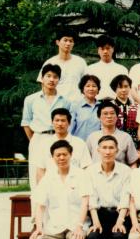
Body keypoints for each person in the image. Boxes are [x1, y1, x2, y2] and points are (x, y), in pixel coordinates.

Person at [29, 140, 90, 239]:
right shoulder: (48, 177)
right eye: (58, 155)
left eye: (64, 154)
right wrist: (39, 228)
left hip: (76, 224)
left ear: (71, 155)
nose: (61, 158)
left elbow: (85, 202)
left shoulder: (80, 175)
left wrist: (80, 226)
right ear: (53, 158)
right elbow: (40, 205)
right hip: (55, 225)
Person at [85, 135, 131, 239]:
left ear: (117, 150)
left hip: (120, 215)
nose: (107, 151)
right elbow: (91, 198)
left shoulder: (125, 171)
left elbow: (126, 197)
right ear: (98, 150)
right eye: (104, 148)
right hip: (98, 214)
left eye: (111, 148)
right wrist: (96, 222)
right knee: (93, 237)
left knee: (118, 236)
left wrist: (120, 221)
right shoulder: (90, 171)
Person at [21, 64, 70, 194]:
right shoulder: (30, 99)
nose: (52, 79)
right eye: (48, 76)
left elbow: (68, 122)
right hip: (38, 137)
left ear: (59, 80)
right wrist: (34, 139)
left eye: (55, 77)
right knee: (36, 174)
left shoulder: (65, 101)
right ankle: (37, 205)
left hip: (59, 138)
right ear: (42, 78)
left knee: (57, 171)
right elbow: (26, 122)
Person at [33, 108, 92, 184]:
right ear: (52, 122)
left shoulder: (79, 143)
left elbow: (86, 168)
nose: (60, 124)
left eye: (63, 120)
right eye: (57, 120)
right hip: (51, 186)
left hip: (75, 186)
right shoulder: (44, 144)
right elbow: (40, 170)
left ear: (69, 123)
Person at [36, 29, 87, 101]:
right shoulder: (50, 62)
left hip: (76, 102)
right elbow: (43, 85)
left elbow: (87, 83)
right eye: (65, 40)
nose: (68, 43)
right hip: (56, 103)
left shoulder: (80, 62)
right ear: (58, 42)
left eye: (71, 41)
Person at [86, 101, 138, 167]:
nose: (109, 116)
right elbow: (86, 162)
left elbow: (133, 163)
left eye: (112, 113)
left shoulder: (126, 137)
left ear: (117, 116)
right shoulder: (92, 137)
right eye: (105, 113)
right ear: (99, 117)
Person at [87, 35, 128, 100]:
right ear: (98, 51)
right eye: (102, 49)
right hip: (97, 102)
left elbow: (127, 90)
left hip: (116, 103)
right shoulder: (90, 69)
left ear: (113, 49)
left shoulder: (122, 69)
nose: (105, 51)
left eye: (108, 48)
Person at [70, 74, 102, 141]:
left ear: (98, 89)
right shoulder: (75, 106)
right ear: (82, 89)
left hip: (97, 144)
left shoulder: (102, 106)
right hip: (79, 143)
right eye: (88, 86)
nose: (91, 89)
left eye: (94, 86)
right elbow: (70, 128)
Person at [110, 74, 139, 143]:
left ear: (130, 87)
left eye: (126, 86)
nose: (123, 90)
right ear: (115, 89)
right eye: (120, 87)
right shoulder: (110, 106)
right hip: (114, 141)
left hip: (134, 142)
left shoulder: (137, 106)